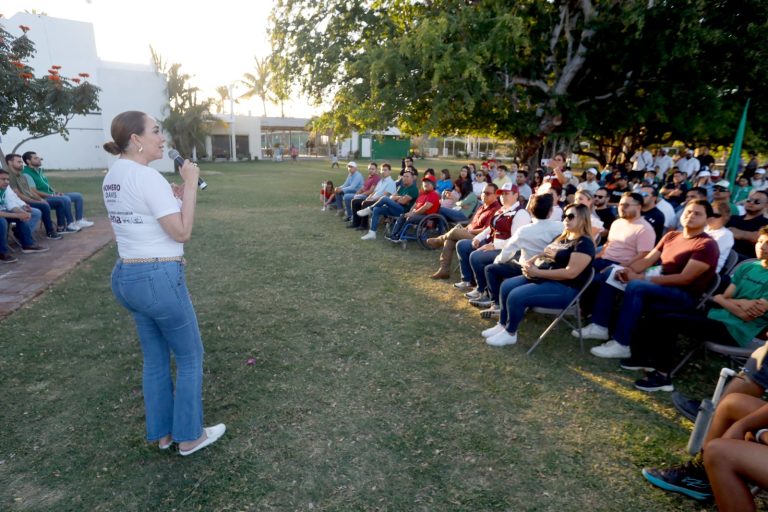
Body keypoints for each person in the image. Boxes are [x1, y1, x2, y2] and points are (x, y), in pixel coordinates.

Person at [102, 111, 225, 456]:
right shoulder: (146, 177)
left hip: (127, 276)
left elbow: (141, 217)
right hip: (157, 278)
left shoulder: (114, 175)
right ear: (136, 139)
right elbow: (182, 231)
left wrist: (172, 195)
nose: (162, 138)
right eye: (156, 131)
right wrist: (189, 185)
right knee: (189, 356)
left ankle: (163, 434)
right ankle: (189, 437)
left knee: (155, 359)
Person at [624, 228, 768, 392]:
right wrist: (734, 301)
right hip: (715, 315)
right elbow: (722, 297)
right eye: (760, 242)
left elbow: (745, 316)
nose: (762, 247)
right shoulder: (749, 266)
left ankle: (663, 377)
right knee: (656, 311)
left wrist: (725, 301)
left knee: (668, 321)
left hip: (736, 331)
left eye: (767, 244)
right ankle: (645, 359)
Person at [583, 199, 719, 359]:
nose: (691, 216)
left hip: (683, 295)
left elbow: (685, 279)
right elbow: (648, 260)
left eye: (698, 214)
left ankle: (621, 344)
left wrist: (640, 277)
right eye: (688, 211)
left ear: (708, 220)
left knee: (636, 286)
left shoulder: (706, 245)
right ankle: (599, 326)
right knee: (612, 273)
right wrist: (628, 270)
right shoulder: (672, 236)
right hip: (661, 283)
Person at [482, 203, 595, 347]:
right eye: (564, 216)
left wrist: (537, 272)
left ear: (583, 219)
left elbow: (571, 273)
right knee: (506, 286)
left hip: (565, 289)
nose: (566, 219)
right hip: (546, 277)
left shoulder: (584, 243)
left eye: (571, 216)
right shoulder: (562, 237)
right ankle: (502, 325)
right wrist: (531, 262)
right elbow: (545, 253)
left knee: (516, 295)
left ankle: (510, 333)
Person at [480, 193, 563, 313]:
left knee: (490, 269)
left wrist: (497, 262)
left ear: (531, 211)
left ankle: (496, 304)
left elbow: (507, 252)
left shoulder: (524, 231)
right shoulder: (561, 227)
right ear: (550, 211)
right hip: (551, 271)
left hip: (527, 269)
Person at [426, 183, 500, 280]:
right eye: (482, 192)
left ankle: (439, 240)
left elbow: (486, 230)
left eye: (487, 193)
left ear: (496, 195)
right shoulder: (482, 207)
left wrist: (469, 230)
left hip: (482, 239)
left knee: (454, 232)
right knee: (450, 239)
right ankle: (444, 270)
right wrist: (466, 228)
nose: (483, 195)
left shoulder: (496, 209)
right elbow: (472, 223)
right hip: (471, 233)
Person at [21, 151, 94, 231]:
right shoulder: (27, 174)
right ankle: (70, 224)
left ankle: (79, 220)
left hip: (51, 195)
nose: (39, 159)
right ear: (28, 161)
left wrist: (55, 192)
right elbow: (33, 191)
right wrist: (52, 195)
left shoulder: (39, 171)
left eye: (38, 157)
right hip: (42, 198)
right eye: (35, 158)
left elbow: (46, 186)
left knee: (78, 196)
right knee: (65, 199)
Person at [5, 153, 63, 239]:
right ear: (10, 162)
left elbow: (30, 192)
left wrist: (40, 199)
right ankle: (50, 232)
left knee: (52, 202)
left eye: (21, 162)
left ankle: (19, 231)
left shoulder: (21, 176)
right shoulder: (8, 176)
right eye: (19, 162)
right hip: (20, 203)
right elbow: (18, 195)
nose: (22, 164)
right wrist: (36, 201)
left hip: (27, 200)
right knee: (44, 206)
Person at [0, 168, 49, 262]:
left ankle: (27, 244)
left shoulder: (4, 189)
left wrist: (21, 212)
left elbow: (10, 204)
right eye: (3, 179)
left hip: (3, 212)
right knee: (2, 221)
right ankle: (2, 253)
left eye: (7, 179)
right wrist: (18, 215)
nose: (6, 182)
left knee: (22, 216)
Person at [358, 170, 419, 240]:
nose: (404, 178)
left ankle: (369, 209)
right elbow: (392, 197)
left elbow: (403, 202)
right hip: (395, 208)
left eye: (407, 176)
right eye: (404, 176)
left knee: (384, 198)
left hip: (403, 211)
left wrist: (397, 198)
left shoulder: (414, 189)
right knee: (376, 209)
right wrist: (400, 197)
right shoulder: (401, 187)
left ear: (412, 178)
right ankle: (372, 233)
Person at [387, 175, 441, 241]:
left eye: (428, 183)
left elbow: (425, 208)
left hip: (427, 217)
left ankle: (399, 235)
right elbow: (415, 205)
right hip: (418, 214)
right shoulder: (422, 194)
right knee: (402, 216)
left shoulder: (433, 194)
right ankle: (394, 234)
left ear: (433, 185)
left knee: (410, 217)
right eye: (424, 182)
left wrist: (413, 213)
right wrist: (410, 212)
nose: (425, 184)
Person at [348, 164, 396, 230]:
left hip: (380, 202)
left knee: (365, 203)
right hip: (373, 199)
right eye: (382, 170)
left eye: (385, 170)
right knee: (354, 201)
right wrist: (369, 197)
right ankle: (356, 222)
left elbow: (384, 196)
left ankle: (364, 225)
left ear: (390, 171)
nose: (383, 171)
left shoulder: (391, 182)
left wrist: (371, 199)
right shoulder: (381, 181)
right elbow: (374, 192)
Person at [727, 190, 768, 259]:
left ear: (766, 205)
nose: (751, 203)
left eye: (757, 201)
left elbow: (759, 237)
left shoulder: (765, 223)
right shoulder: (733, 218)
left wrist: (739, 233)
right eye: (749, 200)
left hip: (743, 259)